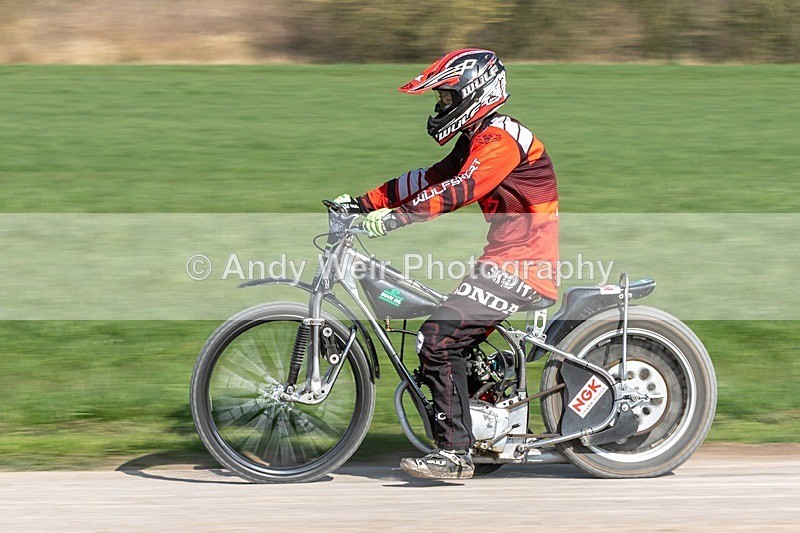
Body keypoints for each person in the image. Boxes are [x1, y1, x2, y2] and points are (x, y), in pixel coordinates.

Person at [335, 48, 559, 479]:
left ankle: (454, 455)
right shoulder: (480, 136)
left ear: (472, 93)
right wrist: (361, 203)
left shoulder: (499, 142)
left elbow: (458, 189)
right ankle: (480, 422)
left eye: (444, 98)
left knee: (437, 338)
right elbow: (430, 178)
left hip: (523, 266)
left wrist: (395, 219)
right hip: (505, 261)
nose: (440, 107)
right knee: (442, 328)